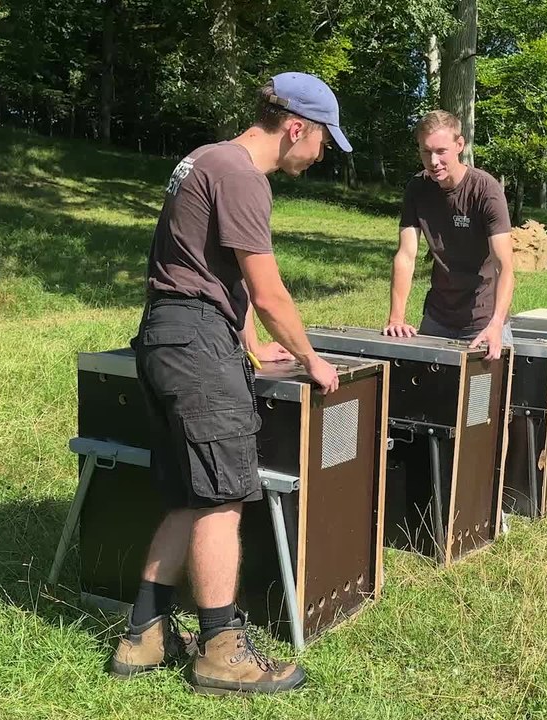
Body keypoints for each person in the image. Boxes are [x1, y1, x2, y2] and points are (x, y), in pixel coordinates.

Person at [107, 72, 349, 696]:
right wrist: (312, 359)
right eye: (323, 140)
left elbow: (211, 270)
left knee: (189, 495)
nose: (322, 154)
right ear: (296, 127)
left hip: (167, 335)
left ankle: (143, 636)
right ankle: (221, 651)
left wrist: (250, 343)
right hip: (196, 348)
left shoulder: (206, 159)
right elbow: (266, 290)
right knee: (222, 497)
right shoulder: (242, 175)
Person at [383, 110, 515, 359]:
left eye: (441, 151)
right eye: (426, 151)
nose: (433, 161)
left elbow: (504, 266)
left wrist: (496, 324)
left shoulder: (486, 190)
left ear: (459, 145)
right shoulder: (417, 188)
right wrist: (396, 318)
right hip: (437, 318)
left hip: (484, 321)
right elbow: (406, 256)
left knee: (486, 386)